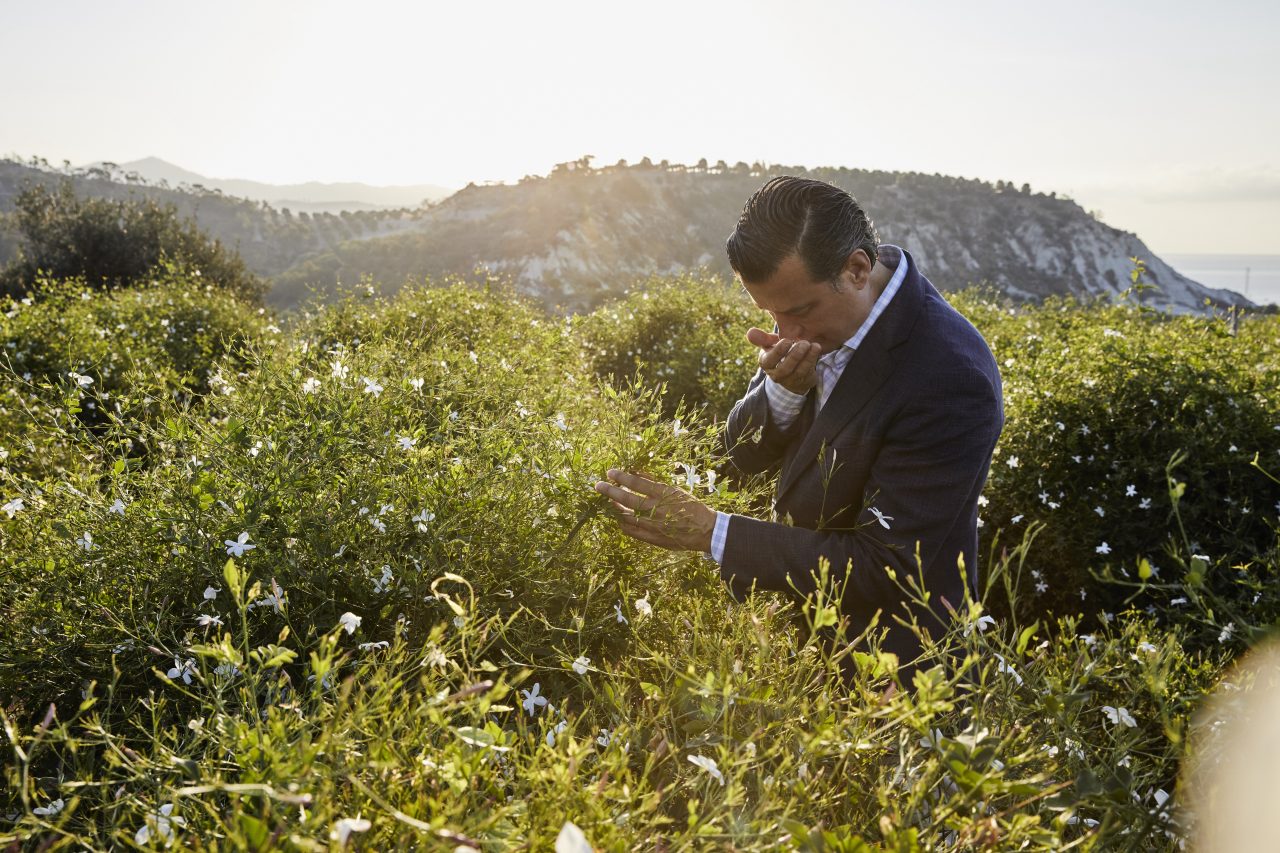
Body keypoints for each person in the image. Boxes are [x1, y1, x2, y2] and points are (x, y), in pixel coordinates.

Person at [593, 176, 1004, 687]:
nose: (785, 333)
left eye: (799, 311)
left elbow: (884, 567)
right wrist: (783, 392)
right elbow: (736, 457)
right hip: (797, 650)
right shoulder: (807, 317)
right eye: (770, 313)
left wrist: (711, 532)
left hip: (892, 673)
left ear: (857, 269)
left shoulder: (950, 375)